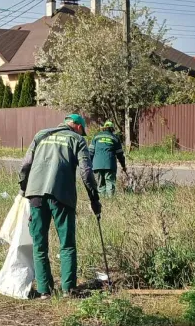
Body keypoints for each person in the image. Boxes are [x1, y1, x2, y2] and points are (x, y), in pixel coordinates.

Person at [18, 114, 101, 299]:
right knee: (67, 244)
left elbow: (25, 165)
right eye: (82, 130)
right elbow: (86, 172)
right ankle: (68, 289)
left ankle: (44, 290)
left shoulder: (40, 135)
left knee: (39, 244)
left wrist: (23, 189)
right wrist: (94, 199)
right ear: (78, 126)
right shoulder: (77, 139)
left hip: (36, 195)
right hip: (62, 195)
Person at [90, 121, 126, 196]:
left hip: (97, 165)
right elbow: (120, 154)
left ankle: (102, 200)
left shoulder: (96, 137)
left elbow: (91, 151)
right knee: (110, 183)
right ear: (112, 129)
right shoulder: (115, 138)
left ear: (104, 128)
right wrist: (123, 165)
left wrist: (88, 163)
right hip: (110, 164)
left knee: (100, 184)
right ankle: (110, 200)